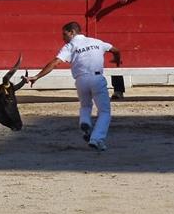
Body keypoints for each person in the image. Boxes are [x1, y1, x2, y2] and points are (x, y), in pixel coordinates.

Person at [23, 21, 122, 151]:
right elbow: (115, 50)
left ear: (72, 32)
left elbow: (55, 63)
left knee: (85, 106)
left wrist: (37, 76)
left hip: (81, 80)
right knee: (104, 111)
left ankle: (85, 122)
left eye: (64, 34)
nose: (63, 38)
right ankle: (97, 139)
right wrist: (117, 59)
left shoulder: (70, 46)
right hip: (97, 78)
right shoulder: (97, 42)